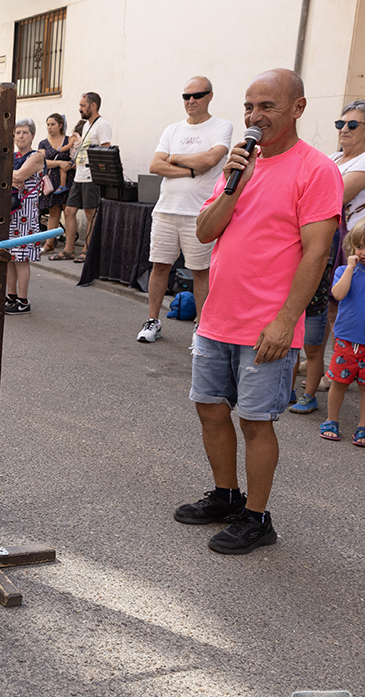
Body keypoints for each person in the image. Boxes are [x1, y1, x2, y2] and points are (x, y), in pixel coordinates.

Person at [174, 68, 343, 555]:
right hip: (217, 318)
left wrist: (287, 320)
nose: (254, 117)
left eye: (266, 106)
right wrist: (236, 182)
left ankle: (257, 517)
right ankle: (227, 496)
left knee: (255, 421)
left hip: (268, 325)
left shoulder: (316, 170)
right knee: (209, 410)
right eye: (249, 107)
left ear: (298, 108)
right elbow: (206, 232)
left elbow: (316, 254)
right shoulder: (239, 167)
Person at [136, 77, 233, 343]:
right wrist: (192, 169)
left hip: (199, 213)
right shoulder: (172, 129)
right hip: (166, 209)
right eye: (186, 96)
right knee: (159, 267)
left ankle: (201, 329)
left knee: (200, 271)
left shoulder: (221, 126)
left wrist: (175, 157)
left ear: (210, 96)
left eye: (198, 95)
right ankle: (153, 320)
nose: (191, 100)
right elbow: (155, 165)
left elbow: (213, 159)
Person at [294, 100, 365, 414]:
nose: (344, 130)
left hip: (349, 242)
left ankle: (340, 366)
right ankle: (322, 365)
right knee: (324, 304)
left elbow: (335, 195)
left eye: (352, 125)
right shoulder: (335, 157)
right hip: (329, 237)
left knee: (339, 306)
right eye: (340, 124)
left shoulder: (362, 162)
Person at [320, 220, 365, 445]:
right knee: (338, 382)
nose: (363, 252)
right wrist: (349, 268)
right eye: (359, 247)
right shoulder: (343, 271)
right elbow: (338, 294)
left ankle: (363, 426)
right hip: (347, 340)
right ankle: (331, 419)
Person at [54, 92, 111, 262]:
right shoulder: (86, 126)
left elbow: (105, 152)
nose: (80, 109)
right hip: (79, 174)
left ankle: (87, 249)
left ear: (93, 106)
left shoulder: (103, 125)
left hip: (91, 176)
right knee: (69, 211)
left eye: (83, 105)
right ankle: (69, 249)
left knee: (90, 213)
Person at [4, 119, 46, 315]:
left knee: (21, 258)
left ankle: (23, 300)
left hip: (25, 215)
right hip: (10, 213)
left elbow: (20, 176)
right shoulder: (11, 156)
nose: (20, 136)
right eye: (18, 132)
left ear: (33, 136)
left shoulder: (37, 156)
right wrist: (10, 177)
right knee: (9, 258)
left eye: (25, 132)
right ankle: (10, 296)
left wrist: (7, 176)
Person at [37, 113, 70, 254]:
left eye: (53, 124)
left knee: (69, 212)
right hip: (51, 181)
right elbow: (41, 162)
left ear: (60, 125)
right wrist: (59, 163)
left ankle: (69, 245)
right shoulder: (43, 143)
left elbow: (75, 157)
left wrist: (69, 164)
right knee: (53, 212)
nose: (49, 127)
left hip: (68, 179)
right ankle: (49, 243)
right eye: (48, 124)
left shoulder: (69, 141)